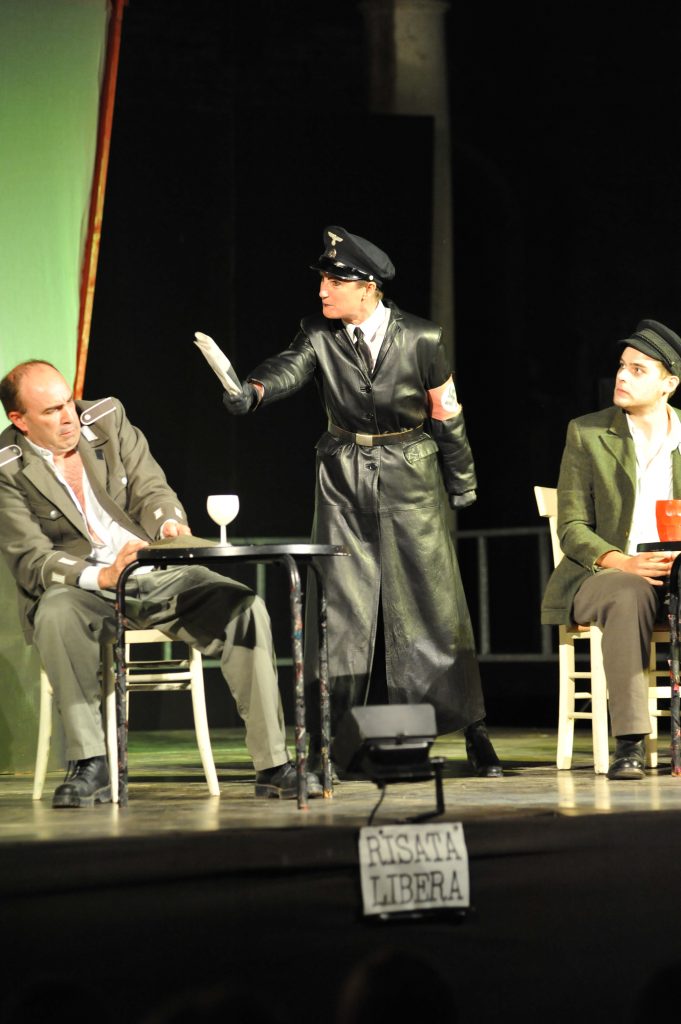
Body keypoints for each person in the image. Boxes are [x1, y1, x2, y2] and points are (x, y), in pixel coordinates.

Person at [221, 225, 501, 777]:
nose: (322, 290)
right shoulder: (318, 333)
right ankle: (327, 740)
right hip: (343, 478)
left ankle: (474, 730)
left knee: (435, 604)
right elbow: (290, 366)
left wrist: (462, 478)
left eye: (334, 281)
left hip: (411, 476)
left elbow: (446, 412)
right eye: (323, 279)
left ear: (367, 287)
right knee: (340, 609)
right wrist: (253, 390)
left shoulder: (422, 338)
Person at [0, 360, 321, 806]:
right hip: (83, 590)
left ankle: (274, 765)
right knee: (55, 612)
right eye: (52, 412)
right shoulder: (7, 468)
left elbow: (152, 488)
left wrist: (167, 525)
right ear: (20, 420)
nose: (68, 417)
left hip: (154, 573)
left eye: (68, 402)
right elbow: (32, 560)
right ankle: (91, 764)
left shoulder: (107, 418)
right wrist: (103, 574)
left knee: (245, 609)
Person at [542, 319, 681, 779]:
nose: (622, 376)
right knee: (628, 593)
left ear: (669, 384)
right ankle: (630, 742)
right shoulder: (587, 432)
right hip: (601, 575)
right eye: (622, 366)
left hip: (674, 570)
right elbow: (572, 528)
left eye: (638, 370)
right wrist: (623, 562)